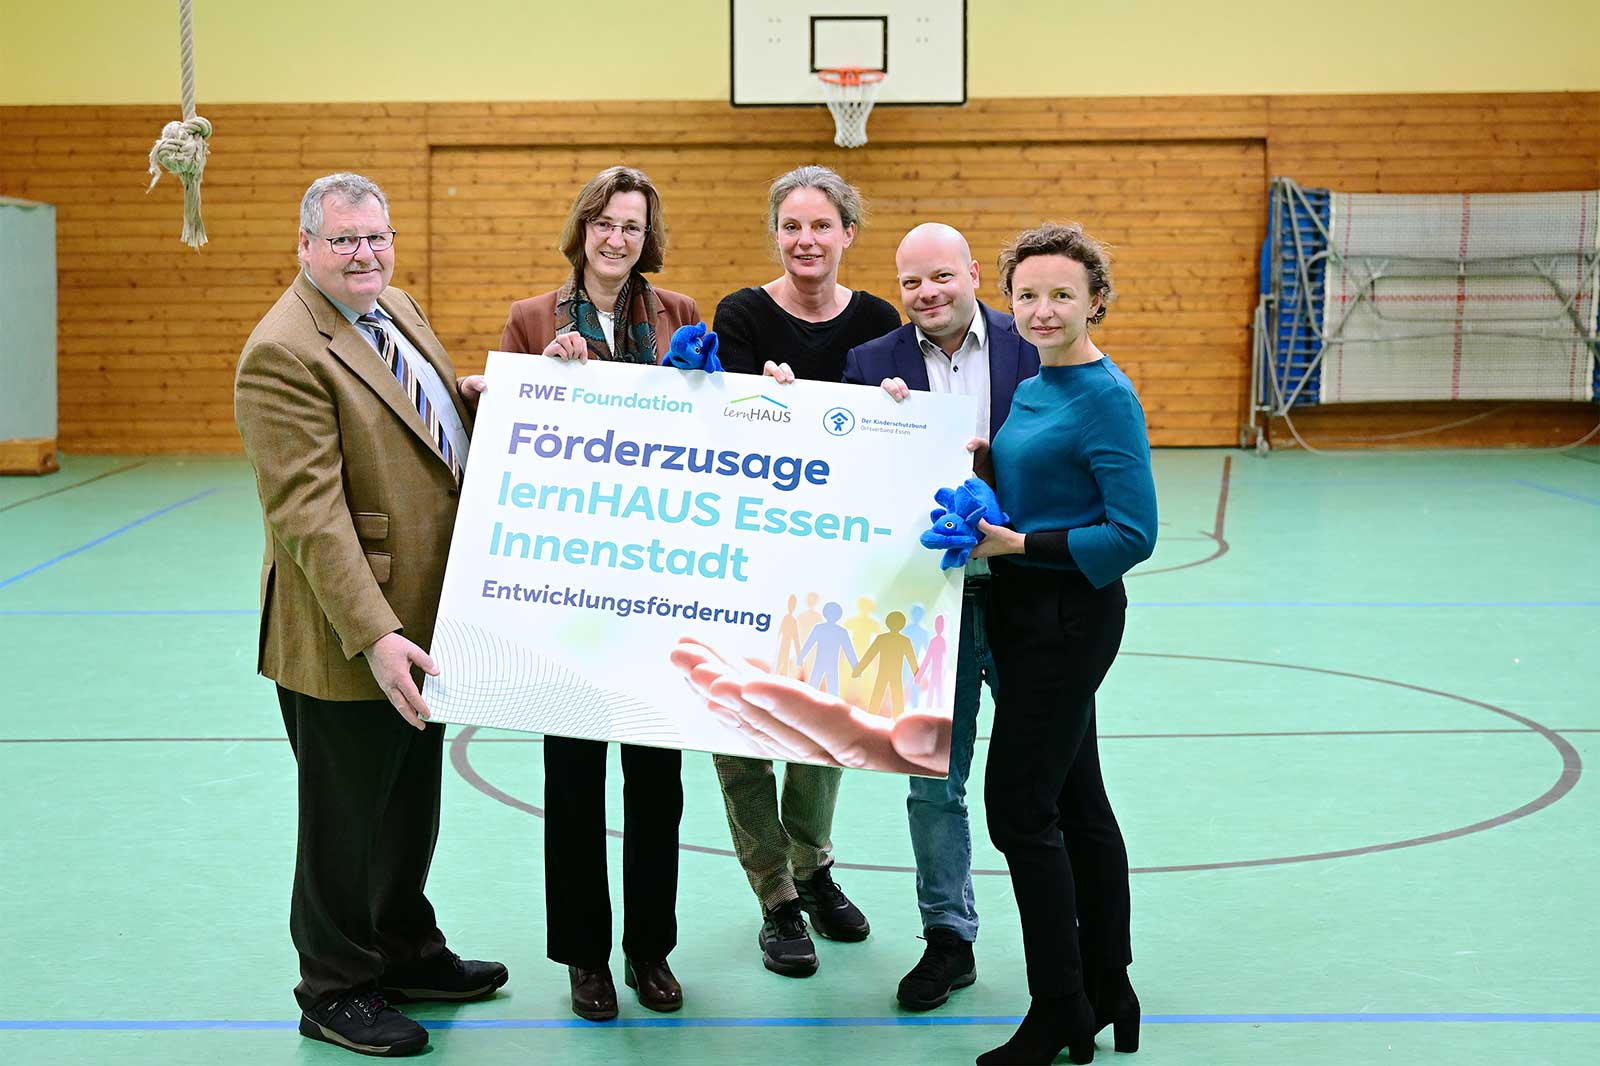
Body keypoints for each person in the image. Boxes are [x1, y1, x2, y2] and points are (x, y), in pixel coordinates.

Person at [234, 172, 506, 1058]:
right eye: (344, 240)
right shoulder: (283, 352)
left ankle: (404, 947)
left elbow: (419, 424)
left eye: (376, 237)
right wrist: (376, 634)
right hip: (348, 632)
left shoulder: (397, 309)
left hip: (426, 615)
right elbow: (308, 515)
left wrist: (475, 406)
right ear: (305, 246)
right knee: (344, 820)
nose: (364, 254)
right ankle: (335, 988)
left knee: (407, 805)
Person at [498, 165, 698, 1021]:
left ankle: (650, 950)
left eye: (632, 226)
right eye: (605, 223)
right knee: (574, 776)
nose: (618, 238)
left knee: (658, 779)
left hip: (661, 583)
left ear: (647, 238)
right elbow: (505, 438)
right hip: (570, 585)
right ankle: (585, 957)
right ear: (582, 229)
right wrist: (545, 380)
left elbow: (711, 430)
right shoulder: (531, 319)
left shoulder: (679, 314)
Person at [970, 222, 1157, 1065]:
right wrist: (981, 466)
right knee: (1079, 805)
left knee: (1018, 811)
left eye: (1061, 295)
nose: (1042, 309)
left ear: (1095, 301)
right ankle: (1109, 984)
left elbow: (1132, 533)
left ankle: (1059, 1010)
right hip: (1023, 616)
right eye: (1027, 295)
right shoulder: (1033, 387)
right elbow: (1037, 483)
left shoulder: (1106, 396)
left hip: (1068, 620)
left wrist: (1016, 544)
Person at [841, 221, 1041, 1011]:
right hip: (930, 604)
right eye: (911, 282)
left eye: (941, 276)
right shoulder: (871, 365)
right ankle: (948, 939)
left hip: (1026, 595)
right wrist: (878, 426)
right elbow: (848, 471)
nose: (927, 293)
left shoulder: (1032, 345)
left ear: (973, 275)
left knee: (1047, 780)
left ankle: (1062, 939)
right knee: (932, 783)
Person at [709, 163, 900, 977]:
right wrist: (757, 399)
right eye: (792, 226)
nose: (806, 240)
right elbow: (723, 424)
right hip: (746, 552)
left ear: (848, 233)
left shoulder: (880, 320)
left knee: (823, 718)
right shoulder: (741, 315)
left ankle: (813, 866)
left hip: (839, 562)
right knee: (742, 728)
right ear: (775, 234)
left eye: (822, 225)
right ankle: (776, 895)